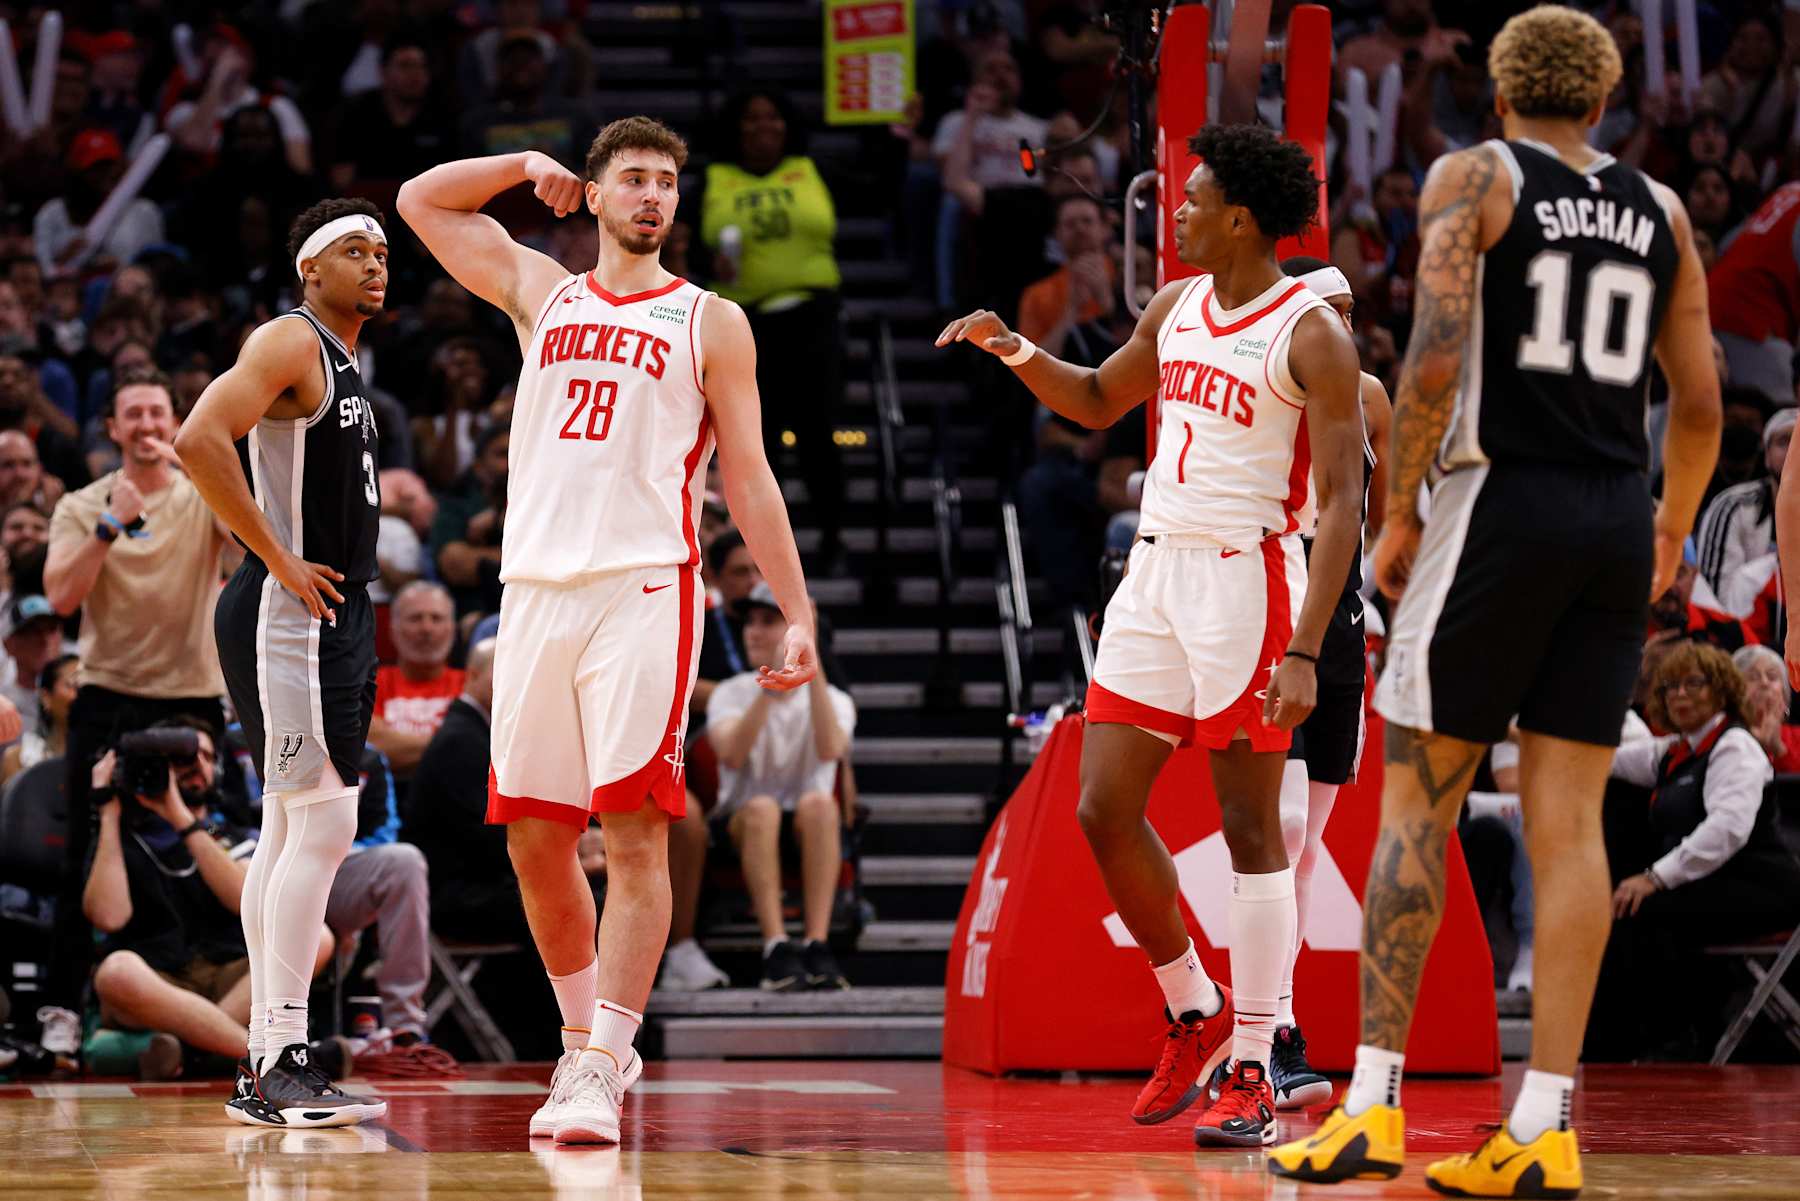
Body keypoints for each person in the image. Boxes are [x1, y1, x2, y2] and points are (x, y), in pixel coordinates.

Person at [1270, 8, 1722, 1195]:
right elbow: (1705, 403)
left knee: (1420, 800)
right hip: (1617, 514)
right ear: (1608, 91)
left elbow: (1431, 350)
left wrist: (1404, 504)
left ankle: (1368, 1110)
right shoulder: (1663, 211)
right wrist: (1672, 525)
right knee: (1569, 821)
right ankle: (1546, 1123)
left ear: (1501, 85)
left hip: (1497, 499)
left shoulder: (1477, 174)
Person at [938, 122, 1367, 1148]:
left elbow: (1345, 502)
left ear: (1241, 218)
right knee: (1102, 804)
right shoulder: (1174, 305)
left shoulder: (1312, 332)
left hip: (1249, 577)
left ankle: (1258, 1060)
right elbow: (1094, 399)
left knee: (1253, 826)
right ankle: (1191, 1004)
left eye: (1194, 195)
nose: (1174, 210)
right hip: (1155, 568)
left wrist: (1307, 647)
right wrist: (1013, 347)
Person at [398, 115, 818, 1145]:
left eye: (666, 183)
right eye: (631, 178)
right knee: (538, 837)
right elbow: (420, 201)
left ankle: (595, 1062)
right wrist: (517, 166)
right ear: (593, 195)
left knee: (634, 829)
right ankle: (589, 1038)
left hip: (645, 586)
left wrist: (796, 607)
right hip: (536, 589)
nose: (651, 197)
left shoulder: (710, 320)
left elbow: (749, 477)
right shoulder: (543, 290)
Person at [173, 197, 391, 1128]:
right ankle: (281, 1060)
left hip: (325, 613)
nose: (376, 263)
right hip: (291, 613)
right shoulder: (290, 340)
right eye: (355, 249)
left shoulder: (343, 358)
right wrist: (276, 556)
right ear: (311, 268)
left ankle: (269, 1055)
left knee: (296, 828)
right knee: (323, 826)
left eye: (382, 250)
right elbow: (196, 438)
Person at [1253, 256, 1392, 1111]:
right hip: (1273, 601)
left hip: (1343, 612)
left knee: (1305, 852)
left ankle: (1276, 1029)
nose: (1339, 324)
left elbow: (1389, 507)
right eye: (1325, 309)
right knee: (1287, 824)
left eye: (1347, 310)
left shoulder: (1369, 395)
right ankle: (1268, 1033)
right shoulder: (1266, 385)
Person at [41, 365, 225, 1013]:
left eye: (158, 412)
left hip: (192, 696)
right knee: (86, 851)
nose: (147, 424)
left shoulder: (203, 493)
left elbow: (251, 547)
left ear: (173, 422)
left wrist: (198, 468)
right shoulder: (80, 505)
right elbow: (62, 596)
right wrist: (109, 525)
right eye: (135, 414)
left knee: (201, 838)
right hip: (107, 695)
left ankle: (204, 992)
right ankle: (60, 1013)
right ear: (112, 427)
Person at [83, 717, 333, 1078]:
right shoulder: (122, 836)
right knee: (116, 971)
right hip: (161, 981)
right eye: (184, 757)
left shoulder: (236, 833)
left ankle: (197, 1048)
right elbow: (109, 917)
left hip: (230, 978)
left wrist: (183, 820)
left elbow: (244, 899)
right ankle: (264, 1059)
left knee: (316, 936)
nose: (198, 765)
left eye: (207, 755)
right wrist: (107, 813)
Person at [1589, 641, 1800, 1059]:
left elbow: (1726, 832)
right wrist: (1519, 736)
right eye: (1670, 687)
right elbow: (1602, 759)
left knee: (1645, 912)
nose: (1680, 694)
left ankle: (1669, 1040)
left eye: (1693, 684)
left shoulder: (1735, 747)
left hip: (1764, 889)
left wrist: (1653, 878)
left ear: (1721, 688)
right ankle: (1612, 1047)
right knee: (1622, 892)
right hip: (1716, 883)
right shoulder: (1673, 751)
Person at [692, 88, 848, 570]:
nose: (764, 127)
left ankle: (832, 540)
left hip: (812, 317)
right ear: (735, 128)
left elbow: (880, 186)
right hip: (745, 326)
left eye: (773, 117)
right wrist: (706, 260)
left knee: (818, 434)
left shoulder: (813, 169)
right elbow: (687, 248)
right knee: (760, 440)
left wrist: (902, 131)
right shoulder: (711, 181)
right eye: (752, 118)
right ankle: (770, 552)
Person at [706, 583, 856, 991]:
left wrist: (811, 663)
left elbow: (831, 749)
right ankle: (776, 946)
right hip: (741, 825)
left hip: (809, 825)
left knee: (820, 805)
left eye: (768, 622)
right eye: (750, 622)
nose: (753, 632)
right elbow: (732, 755)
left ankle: (816, 943)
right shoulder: (729, 692)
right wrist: (771, 688)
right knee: (762, 809)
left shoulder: (836, 700)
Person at [369, 580, 465, 786]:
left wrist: (401, 746)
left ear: (452, 629)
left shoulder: (469, 685)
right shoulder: (370, 684)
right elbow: (370, 747)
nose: (426, 628)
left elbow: (484, 751)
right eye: (415, 618)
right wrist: (457, 745)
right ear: (393, 629)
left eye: (436, 618)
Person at [1, 651, 76, 786]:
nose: (80, 695)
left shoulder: (105, 760)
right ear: (46, 697)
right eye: (73, 685)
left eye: (87, 688)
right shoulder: (19, 758)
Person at [0, 594, 68, 735]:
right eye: (33, 631)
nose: (44, 640)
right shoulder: (4, 705)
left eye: (51, 629)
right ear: (9, 643)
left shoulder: (76, 697)